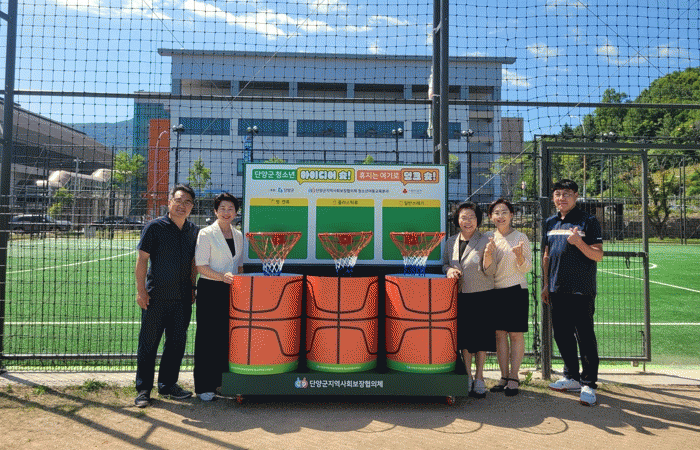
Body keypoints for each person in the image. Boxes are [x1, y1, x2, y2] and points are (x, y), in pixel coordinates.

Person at [134, 184, 199, 408]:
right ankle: (143, 389)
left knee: (176, 344)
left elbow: (194, 262)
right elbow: (142, 260)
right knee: (148, 344)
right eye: (178, 200)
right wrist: (141, 291)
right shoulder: (154, 227)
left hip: (182, 298)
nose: (182, 205)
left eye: (187, 202)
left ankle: (168, 385)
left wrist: (193, 287)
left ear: (192, 206)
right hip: (155, 297)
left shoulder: (193, 230)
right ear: (170, 202)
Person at [541, 179, 604, 406]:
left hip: (581, 290)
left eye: (566, 193)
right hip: (556, 289)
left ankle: (589, 383)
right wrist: (546, 284)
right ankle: (572, 377)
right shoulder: (550, 222)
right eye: (558, 194)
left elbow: (598, 255)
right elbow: (546, 255)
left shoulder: (588, 221)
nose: (562, 198)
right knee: (562, 335)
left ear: (576, 196)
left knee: (585, 336)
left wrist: (578, 242)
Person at [443, 201, 496, 398]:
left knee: (481, 338)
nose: (468, 221)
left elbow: (491, 271)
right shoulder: (451, 241)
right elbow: (444, 264)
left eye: (472, 217)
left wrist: (488, 256)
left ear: (478, 220)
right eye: (464, 217)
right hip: (460, 296)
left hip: (482, 296)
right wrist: (449, 270)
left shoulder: (487, 240)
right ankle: (467, 375)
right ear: (457, 220)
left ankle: (480, 378)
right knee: (465, 338)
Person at [194, 192, 244, 401]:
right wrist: (222, 277)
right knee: (207, 338)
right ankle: (204, 386)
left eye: (230, 208)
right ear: (215, 211)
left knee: (226, 337)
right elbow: (201, 266)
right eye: (222, 208)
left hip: (231, 291)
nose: (226, 212)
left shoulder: (239, 235)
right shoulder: (206, 234)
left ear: (236, 212)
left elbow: (239, 266)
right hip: (210, 289)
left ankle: (222, 383)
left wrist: (238, 282)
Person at [485, 198, 532, 397]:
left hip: (515, 291)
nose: (500, 216)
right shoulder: (487, 238)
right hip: (494, 291)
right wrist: (488, 254)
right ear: (490, 217)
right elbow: (485, 268)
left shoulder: (521, 237)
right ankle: (503, 376)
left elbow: (527, 268)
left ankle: (514, 377)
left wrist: (520, 256)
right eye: (496, 213)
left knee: (515, 335)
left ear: (511, 215)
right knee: (499, 335)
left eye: (504, 212)